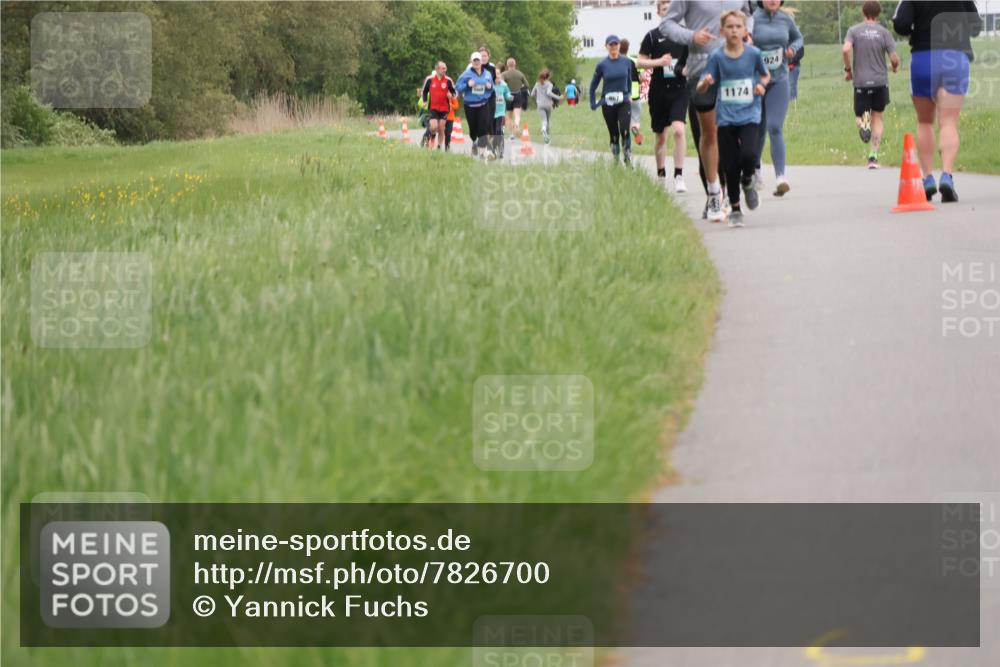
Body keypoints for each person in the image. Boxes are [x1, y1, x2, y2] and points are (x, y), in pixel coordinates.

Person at [661, 0, 756, 222]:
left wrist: (746, 32)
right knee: (710, 133)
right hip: (703, 70)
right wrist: (692, 36)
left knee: (740, 131)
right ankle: (714, 193)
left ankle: (745, 178)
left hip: (736, 68)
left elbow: (747, 14)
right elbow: (667, 24)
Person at [893, 0, 981, 202]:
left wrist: (918, 26)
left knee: (925, 121)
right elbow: (975, 26)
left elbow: (901, 24)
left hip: (923, 58)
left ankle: (928, 178)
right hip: (955, 58)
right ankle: (947, 176)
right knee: (948, 121)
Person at [697, 9, 770, 228]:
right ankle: (736, 209)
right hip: (726, 117)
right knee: (730, 164)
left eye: (738, 26)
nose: (734, 30)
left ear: (745, 30)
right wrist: (705, 83)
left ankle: (747, 180)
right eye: (730, 27)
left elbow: (765, 75)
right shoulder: (717, 57)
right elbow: (702, 84)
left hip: (750, 114)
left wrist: (761, 85)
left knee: (748, 155)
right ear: (722, 31)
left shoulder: (753, 54)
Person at [751, 0, 803, 195]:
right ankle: (755, 170)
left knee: (774, 126)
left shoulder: (785, 19)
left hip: (779, 80)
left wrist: (792, 50)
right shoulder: (753, 19)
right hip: (756, 82)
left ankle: (780, 176)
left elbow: (799, 39)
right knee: (757, 127)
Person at [638, 0, 689, 192]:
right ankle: (661, 176)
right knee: (661, 137)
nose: (669, 12)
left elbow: (693, 57)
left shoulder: (684, 35)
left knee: (678, 130)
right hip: (659, 90)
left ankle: (679, 175)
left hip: (679, 89)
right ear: (659, 12)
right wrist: (659, 62)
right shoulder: (652, 36)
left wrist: (687, 69)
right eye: (665, 9)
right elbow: (640, 62)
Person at [843, 2, 899, 170]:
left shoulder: (854, 31)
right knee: (878, 117)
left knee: (860, 115)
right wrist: (894, 67)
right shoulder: (884, 33)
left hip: (861, 82)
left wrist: (848, 70)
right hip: (880, 82)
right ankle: (873, 157)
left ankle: (863, 126)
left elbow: (845, 50)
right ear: (879, 13)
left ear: (863, 12)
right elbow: (894, 59)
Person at [590, 34, 635, 165]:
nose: (613, 47)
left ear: (619, 46)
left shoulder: (626, 62)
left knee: (625, 130)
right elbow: (593, 85)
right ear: (606, 47)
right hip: (608, 104)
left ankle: (627, 158)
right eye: (611, 45)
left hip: (624, 102)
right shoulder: (602, 65)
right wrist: (593, 102)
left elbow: (629, 80)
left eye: (616, 44)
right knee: (614, 134)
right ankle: (615, 161)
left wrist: (630, 94)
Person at [455, 51, 495, 158]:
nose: (477, 62)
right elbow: (457, 87)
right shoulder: (466, 74)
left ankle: (482, 152)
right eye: (475, 60)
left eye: (478, 60)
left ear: (481, 61)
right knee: (473, 130)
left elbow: (492, 88)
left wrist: (489, 86)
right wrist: (467, 85)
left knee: (483, 128)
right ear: (471, 62)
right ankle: (474, 141)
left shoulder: (487, 74)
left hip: (483, 104)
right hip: (470, 106)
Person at [421, 61, 456, 151]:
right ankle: (432, 136)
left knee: (441, 128)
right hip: (433, 107)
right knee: (433, 127)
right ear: (437, 69)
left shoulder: (448, 80)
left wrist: (451, 95)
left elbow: (455, 92)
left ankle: (439, 146)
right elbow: (424, 91)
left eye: (445, 68)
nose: (445, 70)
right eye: (443, 68)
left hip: (444, 108)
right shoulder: (430, 79)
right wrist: (425, 101)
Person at [619, 38, 645, 146]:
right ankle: (634, 128)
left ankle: (626, 134)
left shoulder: (617, 61)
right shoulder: (635, 60)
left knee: (623, 118)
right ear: (628, 48)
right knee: (635, 117)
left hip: (623, 93)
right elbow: (642, 77)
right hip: (635, 92)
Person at [530, 69, 563, 144]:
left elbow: (532, 94)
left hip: (540, 105)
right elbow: (549, 93)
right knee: (547, 121)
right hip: (548, 105)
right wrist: (558, 97)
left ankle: (543, 129)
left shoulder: (537, 84)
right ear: (548, 76)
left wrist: (538, 95)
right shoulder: (549, 84)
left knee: (544, 120)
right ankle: (547, 139)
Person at [502, 58, 530, 139]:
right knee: (517, 115)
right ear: (515, 65)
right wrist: (521, 87)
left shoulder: (504, 74)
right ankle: (516, 125)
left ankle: (511, 134)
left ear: (507, 65)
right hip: (518, 95)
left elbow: (502, 83)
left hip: (508, 96)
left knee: (509, 116)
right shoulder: (520, 74)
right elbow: (527, 85)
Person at [479, 46, 499, 151]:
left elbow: (496, 81)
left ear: (488, 57)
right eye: (481, 56)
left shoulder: (492, 69)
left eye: (485, 56)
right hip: (478, 99)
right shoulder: (473, 68)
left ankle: (491, 145)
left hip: (490, 98)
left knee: (490, 122)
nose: (483, 58)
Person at [493, 68, 514, 157]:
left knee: (499, 130)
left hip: (500, 111)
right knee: (493, 131)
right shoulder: (490, 85)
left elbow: (507, 93)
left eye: (498, 74)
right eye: (495, 74)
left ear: (500, 75)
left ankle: (500, 149)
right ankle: (493, 148)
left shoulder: (503, 85)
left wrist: (509, 97)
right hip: (490, 112)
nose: (496, 75)